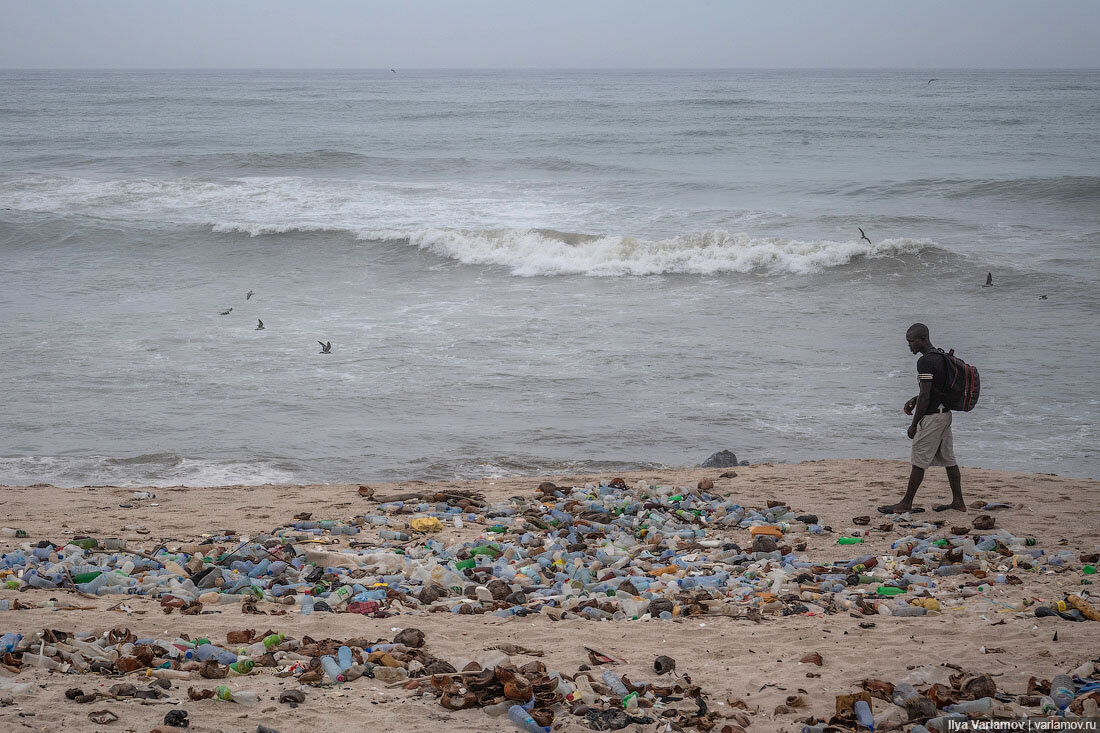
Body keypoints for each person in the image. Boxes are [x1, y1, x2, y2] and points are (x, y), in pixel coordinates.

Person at [878, 323, 965, 514]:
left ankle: (906, 503)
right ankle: (958, 501)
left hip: (933, 417)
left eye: (912, 341)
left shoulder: (925, 362)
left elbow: (926, 396)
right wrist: (914, 399)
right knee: (949, 459)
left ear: (923, 339)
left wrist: (914, 424)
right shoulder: (941, 357)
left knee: (919, 459)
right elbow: (934, 391)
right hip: (945, 415)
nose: (909, 346)